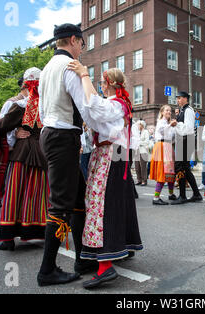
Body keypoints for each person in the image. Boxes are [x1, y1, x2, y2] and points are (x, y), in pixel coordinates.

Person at [67, 63, 143, 289]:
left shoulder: (116, 103)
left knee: (103, 206)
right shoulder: (118, 104)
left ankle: (105, 265)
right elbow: (93, 115)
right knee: (114, 204)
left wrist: (83, 76)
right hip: (109, 155)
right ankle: (122, 247)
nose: (99, 86)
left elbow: (95, 108)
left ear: (108, 83)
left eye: (101, 83)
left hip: (110, 156)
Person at [37, 23, 94, 286]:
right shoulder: (69, 66)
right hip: (62, 137)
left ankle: (82, 256)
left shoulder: (47, 68)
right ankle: (47, 270)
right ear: (73, 40)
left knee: (78, 198)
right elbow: (86, 106)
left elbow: (40, 113)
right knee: (60, 204)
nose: (82, 48)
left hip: (51, 134)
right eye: (82, 43)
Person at [0, 67, 49, 251]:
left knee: (15, 193)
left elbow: (0, 126)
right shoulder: (46, 107)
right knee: (36, 194)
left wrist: (13, 130)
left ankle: (7, 238)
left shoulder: (21, 106)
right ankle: (36, 232)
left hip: (22, 153)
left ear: (26, 84)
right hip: (41, 153)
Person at [0, 74, 31, 246]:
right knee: (5, 193)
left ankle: (18, 228)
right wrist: (14, 133)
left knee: (19, 192)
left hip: (24, 152)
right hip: (9, 151)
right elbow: (0, 127)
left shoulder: (34, 103)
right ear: (26, 86)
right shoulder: (12, 103)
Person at [171, 91, 203, 205]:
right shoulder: (182, 111)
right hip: (183, 140)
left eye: (179, 98)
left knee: (180, 167)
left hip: (186, 140)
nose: (177, 100)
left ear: (186, 99)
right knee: (185, 168)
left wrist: (177, 124)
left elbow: (188, 128)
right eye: (177, 98)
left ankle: (183, 195)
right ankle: (196, 194)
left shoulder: (188, 110)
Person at [149, 105, 178, 205]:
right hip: (161, 146)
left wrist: (175, 128)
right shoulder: (161, 121)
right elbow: (162, 131)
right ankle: (156, 198)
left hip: (168, 146)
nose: (169, 112)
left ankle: (171, 194)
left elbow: (172, 138)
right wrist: (171, 125)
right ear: (162, 112)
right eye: (167, 110)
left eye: (170, 110)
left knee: (170, 172)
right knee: (163, 171)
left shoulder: (168, 123)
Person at [134, 120, 150, 186]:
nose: (137, 126)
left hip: (143, 151)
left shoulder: (146, 132)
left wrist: (139, 142)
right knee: (137, 166)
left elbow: (146, 142)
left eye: (138, 125)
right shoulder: (137, 132)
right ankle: (139, 180)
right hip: (137, 151)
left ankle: (144, 180)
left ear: (142, 125)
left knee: (143, 167)